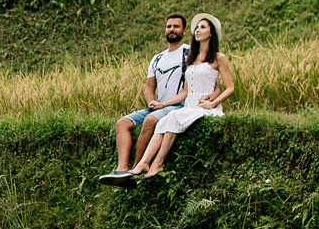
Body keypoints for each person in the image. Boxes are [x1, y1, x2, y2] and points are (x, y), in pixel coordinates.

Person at [134, 12, 231, 177]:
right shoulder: (191, 58)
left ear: (211, 33)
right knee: (162, 123)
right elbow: (185, 91)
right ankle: (144, 163)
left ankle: (157, 164)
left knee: (173, 118)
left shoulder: (218, 58)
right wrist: (163, 104)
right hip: (189, 105)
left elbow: (229, 88)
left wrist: (213, 103)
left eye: (202, 27)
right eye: (196, 28)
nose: (197, 30)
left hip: (204, 107)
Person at [98, 13, 190, 186]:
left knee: (150, 120)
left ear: (184, 30)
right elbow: (149, 87)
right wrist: (151, 102)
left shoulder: (189, 53)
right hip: (158, 105)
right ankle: (121, 169)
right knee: (122, 123)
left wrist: (163, 104)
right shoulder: (158, 58)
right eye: (169, 26)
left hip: (178, 105)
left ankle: (135, 168)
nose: (172, 29)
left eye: (176, 26)